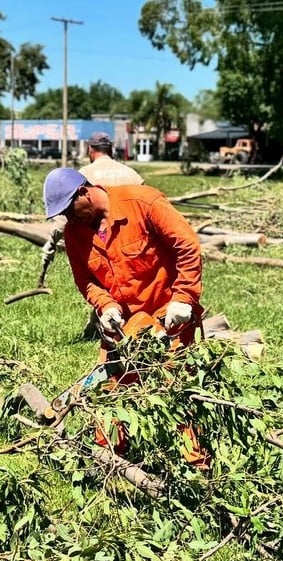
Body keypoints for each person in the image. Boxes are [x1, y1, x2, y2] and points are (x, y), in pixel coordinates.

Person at [42, 167, 208, 467]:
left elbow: (188, 246)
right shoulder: (75, 232)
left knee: (171, 386)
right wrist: (105, 306)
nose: (68, 218)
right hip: (124, 322)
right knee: (108, 389)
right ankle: (111, 463)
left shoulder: (143, 203)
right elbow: (87, 281)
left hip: (166, 315)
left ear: (84, 193)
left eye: (69, 209)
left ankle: (194, 466)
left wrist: (183, 298)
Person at [40, 132, 144, 277]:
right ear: (111, 150)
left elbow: (68, 214)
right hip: (134, 248)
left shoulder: (84, 175)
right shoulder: (132, 174)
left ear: (90, 150)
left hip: (101, 250)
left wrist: (51, 242)